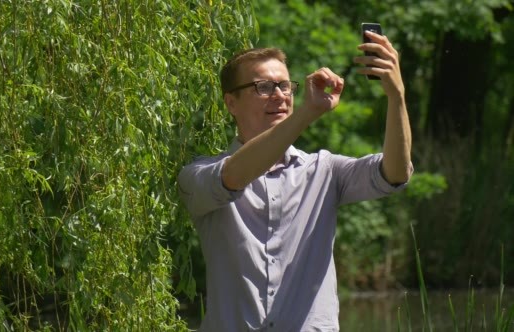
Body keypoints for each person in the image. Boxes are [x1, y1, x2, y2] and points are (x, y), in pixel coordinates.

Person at [177, 30, 413, 331]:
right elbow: (234, 177)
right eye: (262, 86)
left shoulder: (324, 170)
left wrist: (397, 96)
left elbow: (395, 174)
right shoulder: (197, 176)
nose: (279, 95)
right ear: (230, 103)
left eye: (285, 86)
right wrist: (307, 113)